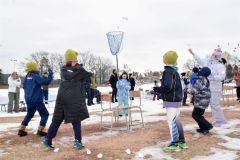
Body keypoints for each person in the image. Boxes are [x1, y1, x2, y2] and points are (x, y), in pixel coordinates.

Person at [43, 49, 92, 150]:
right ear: (75, 59)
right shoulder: (79, 70)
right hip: (73, 96)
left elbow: (72, 72)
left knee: (57, 119)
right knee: (76, 119)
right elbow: (88, 75)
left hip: (61, 95)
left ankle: (48, 139)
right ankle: (77, 141)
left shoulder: (63, 69)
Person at [154, 51, 188, 152]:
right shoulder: (174, 71)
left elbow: (167, 87)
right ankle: (181, 142)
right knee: (177, 120)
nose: (163, 58)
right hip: (176, 99)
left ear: (167, 59)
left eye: (164, 57)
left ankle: (174, 143)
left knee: (171, 121)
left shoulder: (168, 71)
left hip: (171, 99)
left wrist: (157, 89)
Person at [189, 48, 227, 127]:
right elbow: (200, 60)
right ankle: (217, 119)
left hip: (216, 87)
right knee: (213, 104)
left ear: (218, 57)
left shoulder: (220, 66)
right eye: (213, 54)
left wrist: (213, 78)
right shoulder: (209, 63)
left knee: (215, 104)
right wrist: (193, 53)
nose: (212, 56)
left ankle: (220, 120)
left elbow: (222, 76)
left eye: (214, 55)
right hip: (209, 87)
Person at [18, 61, 53, 137]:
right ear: (33, 67)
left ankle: (21, 129)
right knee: (45, 114)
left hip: (28, 99)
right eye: (36, 66)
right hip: (36, 99)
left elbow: (24, 87)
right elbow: (46, 82)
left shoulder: (27, 76)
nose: (37, 67)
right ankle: (41, 130)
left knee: (29, 114)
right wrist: (50, 73)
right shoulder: (35, 76)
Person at [190, 67, 213, 134]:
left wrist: (186, 90)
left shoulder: (201, 80)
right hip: (204, 100)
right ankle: (203, 128)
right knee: (199, 115)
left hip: (201, 100)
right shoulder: (206, 79)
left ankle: (208, 126)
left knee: (195, 115)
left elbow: (195, 90)